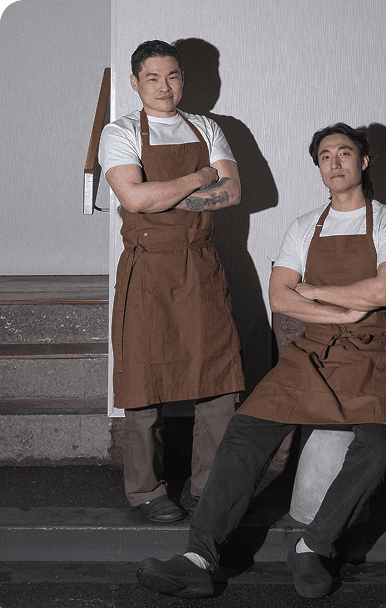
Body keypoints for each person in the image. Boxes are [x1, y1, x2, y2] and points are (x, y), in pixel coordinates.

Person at [135, 123, 386, 598]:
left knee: (380, 447)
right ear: (318, 168)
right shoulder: (304, 226)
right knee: (245, 430)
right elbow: (281, 298)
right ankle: (199, 556)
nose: (335, 163)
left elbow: (383, 290)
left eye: (345, 153)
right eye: (325, 156)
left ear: (364, 162)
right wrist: (343, 309)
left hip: (372, 353)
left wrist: (313, 290)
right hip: (312, 352)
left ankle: (313, 547)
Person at [98, 40, 244, 523]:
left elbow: (231, 193)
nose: (165, 87)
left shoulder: (207, 127)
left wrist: (163, 196)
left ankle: (208, 486)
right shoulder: (119, 132)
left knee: (218, 382)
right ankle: (146, 491)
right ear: (135, 82)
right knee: (143, 384)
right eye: (153, 78)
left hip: (200, 265)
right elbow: (134, 199)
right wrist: (199, 178)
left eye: (173, 76)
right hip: (148, 270)